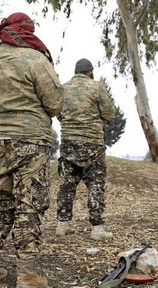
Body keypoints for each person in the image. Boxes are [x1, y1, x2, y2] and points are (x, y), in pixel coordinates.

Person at [0, 13, 63, 288]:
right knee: (29, 205)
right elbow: (56, 103)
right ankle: (27, 274)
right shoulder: (35, 60)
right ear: (26, 32)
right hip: (31, 140)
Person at [55, 59, 116, 240]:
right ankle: (97, 229)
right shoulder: (97, 87)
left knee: (66, 185)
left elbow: (58, 113)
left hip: (68, 143)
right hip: (92, 144)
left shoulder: (63, 88)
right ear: (90, 72)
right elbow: (109, 114)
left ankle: (62, 225)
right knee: (95, 185)